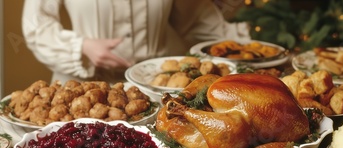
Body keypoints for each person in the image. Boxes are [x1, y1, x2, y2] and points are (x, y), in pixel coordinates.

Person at [22, 0, 250, 83]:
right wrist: (82, 47)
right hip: (81, 90)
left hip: (155, 89)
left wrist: (254, 46)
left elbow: (197, 20)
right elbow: (36, 26)